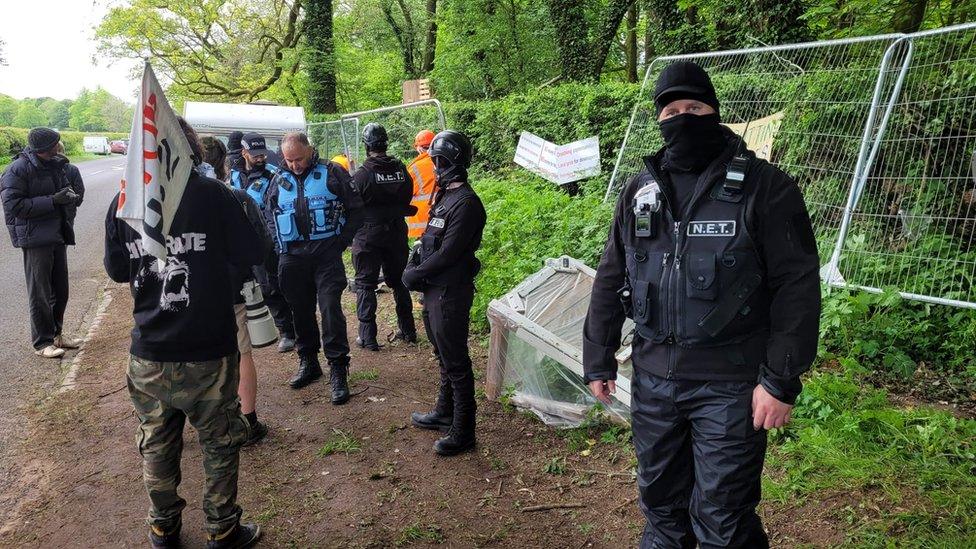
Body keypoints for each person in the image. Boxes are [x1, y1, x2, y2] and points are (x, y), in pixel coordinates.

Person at [582, 60, 821, 548]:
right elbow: (612, 275)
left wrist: (779, 379)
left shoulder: (765, 187)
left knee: (723, 517)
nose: (683, 116)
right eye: (672, 109)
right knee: (661, 508)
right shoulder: (638, 192)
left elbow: (797, 288)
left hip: (731, 384)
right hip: (653, 381)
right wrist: (597, 356)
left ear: (715, 112)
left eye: (695, 106)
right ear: (659, 119)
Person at [104, 117, 265, 548]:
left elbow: (119, 269)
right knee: (219, 441)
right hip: (208, 347)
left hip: (151, 349)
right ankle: (223, 528)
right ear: (186, 146)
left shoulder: (125, 201)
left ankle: (163, 527)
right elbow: (255, 251)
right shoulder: (214, 194)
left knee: (157, 441)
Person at [403, 130, 486, 456]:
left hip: (451, 291)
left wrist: (415, 274)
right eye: (433, 159)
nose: (434, 166)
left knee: (456, 360)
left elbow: (450, 252)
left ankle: (464, 429)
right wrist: (415, 260)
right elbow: (429, 239)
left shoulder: (466, 202)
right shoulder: (444, 195)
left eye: (439, 160)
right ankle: (445, 411)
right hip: (435, 289)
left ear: (454, 161)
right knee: (442, 354)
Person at [269, 132, 363, 404]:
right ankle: (308, 361)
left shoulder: (333, 172)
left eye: (299, 158)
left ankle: (337, 368)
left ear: (310, 150)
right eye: (289, 160)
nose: (295, 165)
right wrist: (279, 246)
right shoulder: (279, 178)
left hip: (326, 255)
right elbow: (269, 215)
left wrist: (341, 242)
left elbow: (357, 209)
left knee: (330, 308)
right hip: (292, 257)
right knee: (300, 311)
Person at [197, 127, 272, 447]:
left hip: (188, 294)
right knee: (241, 353)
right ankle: (248, 420)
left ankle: (205, 421)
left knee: (199, 355)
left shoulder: (170, 202)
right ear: (226, 165)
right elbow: (261, 247)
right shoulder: (238, 198)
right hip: (231, 289)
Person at [1, 128, 84, 358]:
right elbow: (14, 206)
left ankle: (57, 335)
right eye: (54, 146)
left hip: (57, 234)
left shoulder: (54, 164)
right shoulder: (17, 170)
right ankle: (42, 343)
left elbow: (66, 191)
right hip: (35, 238)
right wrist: (52, 201)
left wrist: (69, 198)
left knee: (61, 290)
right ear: (42, 149)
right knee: (40, 292)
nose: (58, 148)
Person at [351, 123, 417, 350]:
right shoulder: (401, 168)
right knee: (399, 281)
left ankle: (367, 337)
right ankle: (408, 330)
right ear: (385, 143)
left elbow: (352, 203)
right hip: (397, 231)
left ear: (366, 145)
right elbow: (409, 192)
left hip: (369, 233)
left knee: (365, 283)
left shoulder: (363, 174)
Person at [230, 133, 296, 353]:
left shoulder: (274, 175)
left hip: (268, 239)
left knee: (273, 285)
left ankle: (287, 330)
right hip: (239, 238)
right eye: (255, 155)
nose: (260, 159)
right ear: (244, 153)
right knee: (248, 287)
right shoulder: (234, 176)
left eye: (262, 154)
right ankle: (253, 329)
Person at [406, 129, 436, 238]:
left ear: (418, 148)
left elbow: (404, 195)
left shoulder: (414, 168)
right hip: (446, 219)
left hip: (423, 225)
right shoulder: (445, 161)